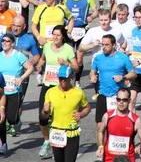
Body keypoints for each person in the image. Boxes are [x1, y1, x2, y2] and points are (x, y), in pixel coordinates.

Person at [36, 25, 79, 159]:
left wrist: (66, 62)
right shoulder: (48, 46)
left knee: (59, 116)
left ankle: (62, 144)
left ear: (63, 37)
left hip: (62, 86)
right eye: (53, 34)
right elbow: (43, 58)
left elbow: (76, 68)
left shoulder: (68, 49)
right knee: (43, 116)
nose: (55, 37)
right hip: (48, 84)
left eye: (58, 35)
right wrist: (39, 65)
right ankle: (47, 140)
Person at [90, 34, 136, 145]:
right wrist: (92, 76)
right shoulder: (98, 58)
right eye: (102, 44)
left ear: (114, 45)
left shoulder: (122, 58)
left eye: (107, 45)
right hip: (103, 94)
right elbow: (93, 71)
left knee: (117, 124)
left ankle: (122, 147)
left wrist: (123, 77)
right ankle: (101, 149)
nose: (104, 47)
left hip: (118, 97)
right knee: (100, 125)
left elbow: (133, 74)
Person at [42, 65, 91, 162]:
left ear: (71, 77)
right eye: (61, 78)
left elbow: (87, 107)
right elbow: (45, 116)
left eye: (65, 78)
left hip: (72, 133)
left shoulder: (78, 93)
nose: (63, 80)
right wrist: (45, 111)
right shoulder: (50, 92)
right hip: (56, 132)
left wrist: (81, 114)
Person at [96, 87, 141, 162]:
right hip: (109, 159)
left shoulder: (136, 120)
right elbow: (100, 131)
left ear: (129, 101)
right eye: (119, 99)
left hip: (127, 159)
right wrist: (101, 146)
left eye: (124, 100)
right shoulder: (107, 116)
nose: (121, 102)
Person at [0, 32, 34, 141]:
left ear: (12, 43)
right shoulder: (0, 55)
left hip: (14, 90)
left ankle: (16, 122)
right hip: (1, 91)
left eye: (7, 41)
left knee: (12, 118)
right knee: (2, 115)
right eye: (3, 41)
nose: (4, 43)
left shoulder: (18, 55)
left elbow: (30, 68)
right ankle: (4, 141)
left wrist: (21, 78)